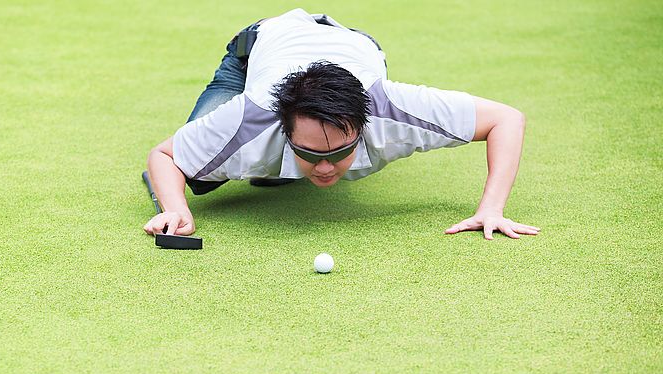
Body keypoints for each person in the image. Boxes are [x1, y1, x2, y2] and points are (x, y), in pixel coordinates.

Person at [143, 9, 540, 241]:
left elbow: (506, 118)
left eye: (340, 152)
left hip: (355, 44)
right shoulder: (251, 116)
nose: (327, 167)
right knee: (199, 178)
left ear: (365, 123)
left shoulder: (394, 106)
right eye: (310, 153)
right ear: (283, 131)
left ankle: (286, 169)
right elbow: (164, 155)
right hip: (258, 49)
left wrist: (492, 209)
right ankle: (272, 168)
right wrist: (176, 209)